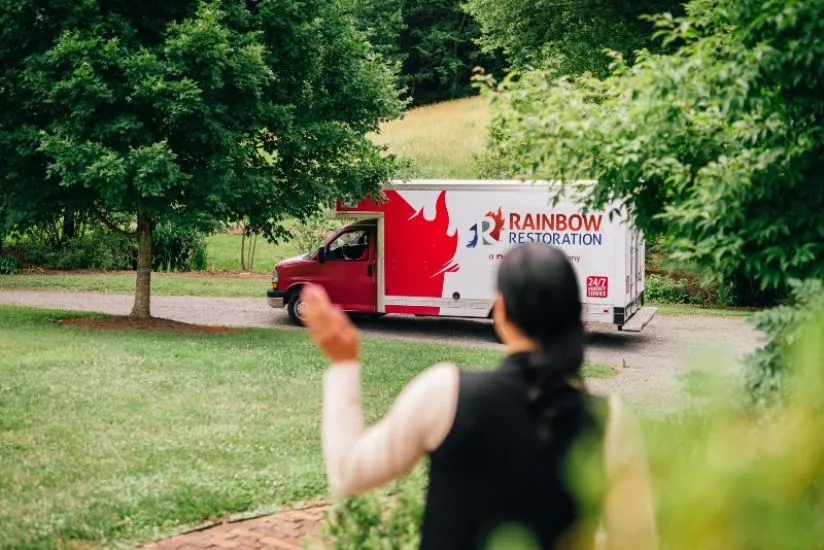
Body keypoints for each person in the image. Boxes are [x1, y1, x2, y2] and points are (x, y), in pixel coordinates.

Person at [301, 243, 658, 550]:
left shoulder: (445, 393)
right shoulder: (610, 421)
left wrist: (343, 362)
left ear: (500, 313)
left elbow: (349, 473)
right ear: (577, 315)